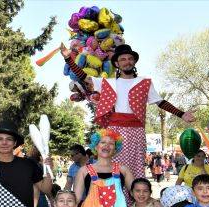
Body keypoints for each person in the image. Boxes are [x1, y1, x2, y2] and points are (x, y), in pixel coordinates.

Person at [61, 43, 195, 178]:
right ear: (117, 64)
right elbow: (84, 77)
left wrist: (181, 114)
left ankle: (135, 198)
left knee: (136, 171)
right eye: (123, 59)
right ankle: (117, 198)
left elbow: (160, 102)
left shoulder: (145, 82)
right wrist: (68, 59)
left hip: (137, 130)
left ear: (134, 61)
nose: (127, 62)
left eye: (130, 59)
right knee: (115, 170)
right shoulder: (109, 82)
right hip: (115, 131)